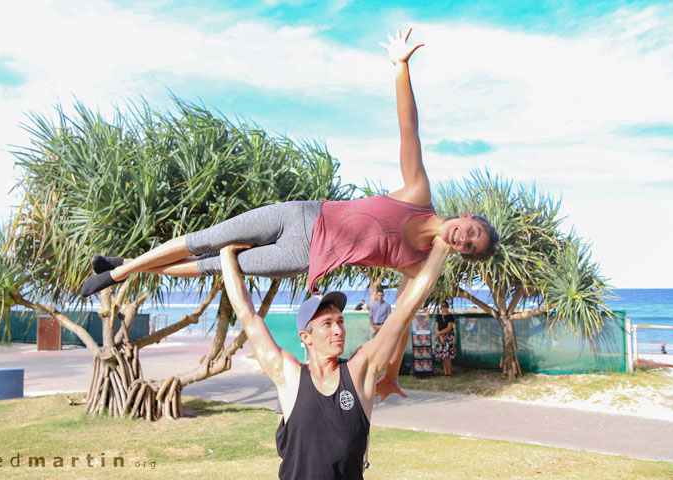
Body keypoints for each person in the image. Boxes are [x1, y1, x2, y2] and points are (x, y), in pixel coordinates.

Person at [79, 27, 499, 300]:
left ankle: (124, 269)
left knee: (215, 266)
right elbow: (410, 130)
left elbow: (409, 308)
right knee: (206, 238)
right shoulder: (417, 196)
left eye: (469, 247)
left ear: (461, 253)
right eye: (472, 231)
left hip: (302, 255)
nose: (464, 238)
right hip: (300, 214)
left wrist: (387, 370)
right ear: (467, 217)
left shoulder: (415, 262)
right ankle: (120, 273)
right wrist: (401, 68)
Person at [219, 234, 451, 479]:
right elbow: (248, 316)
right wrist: (226, 254)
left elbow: (404, 312)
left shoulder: (360, 371)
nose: (339, 330)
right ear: (306, 337)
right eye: (327, 324)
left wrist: (441, 249)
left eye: (340, 321)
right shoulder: (290, 375)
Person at [433, 300, 456, 376]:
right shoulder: (439, 317)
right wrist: (440, 336)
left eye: (445, 306)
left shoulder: (450, 317)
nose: (443, 308)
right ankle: (445, 372)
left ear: (447, 307)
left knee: (448, 356)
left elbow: (449, 328)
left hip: (448, 336)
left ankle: (449, 372)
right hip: (440, 337)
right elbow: (436, 327)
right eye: (442, 306)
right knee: (442, 356)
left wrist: (440, 333)